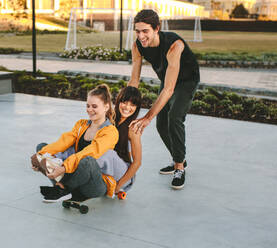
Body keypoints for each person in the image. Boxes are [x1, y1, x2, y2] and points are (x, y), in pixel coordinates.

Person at [127, 9, 200, 190]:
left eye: (145, 31)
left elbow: (169, 90)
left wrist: (146, 118)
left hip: (187, 80)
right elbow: (134, 81)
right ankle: (179, 158)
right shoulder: (138, 45)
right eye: (138, 31)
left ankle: (179, 168)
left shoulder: (174, 45)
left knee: (174, 118)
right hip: (167, 80)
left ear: (156, 28)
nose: (141, 36)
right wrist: (125, 105)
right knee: (161, 124)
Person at [31, 84, 123, 202]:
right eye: (88, 106)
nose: (89, 110)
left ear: (106, 107)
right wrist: (40, 155)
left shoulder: (110, 131)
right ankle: (64, 188)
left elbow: (92, 152)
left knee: (88, 160)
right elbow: (63, 142)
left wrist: (65, 167)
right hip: (75, 174)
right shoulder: (81, 124)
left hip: (95, 183)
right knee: (42, 147)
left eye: (94, 106)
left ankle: (62, 189)